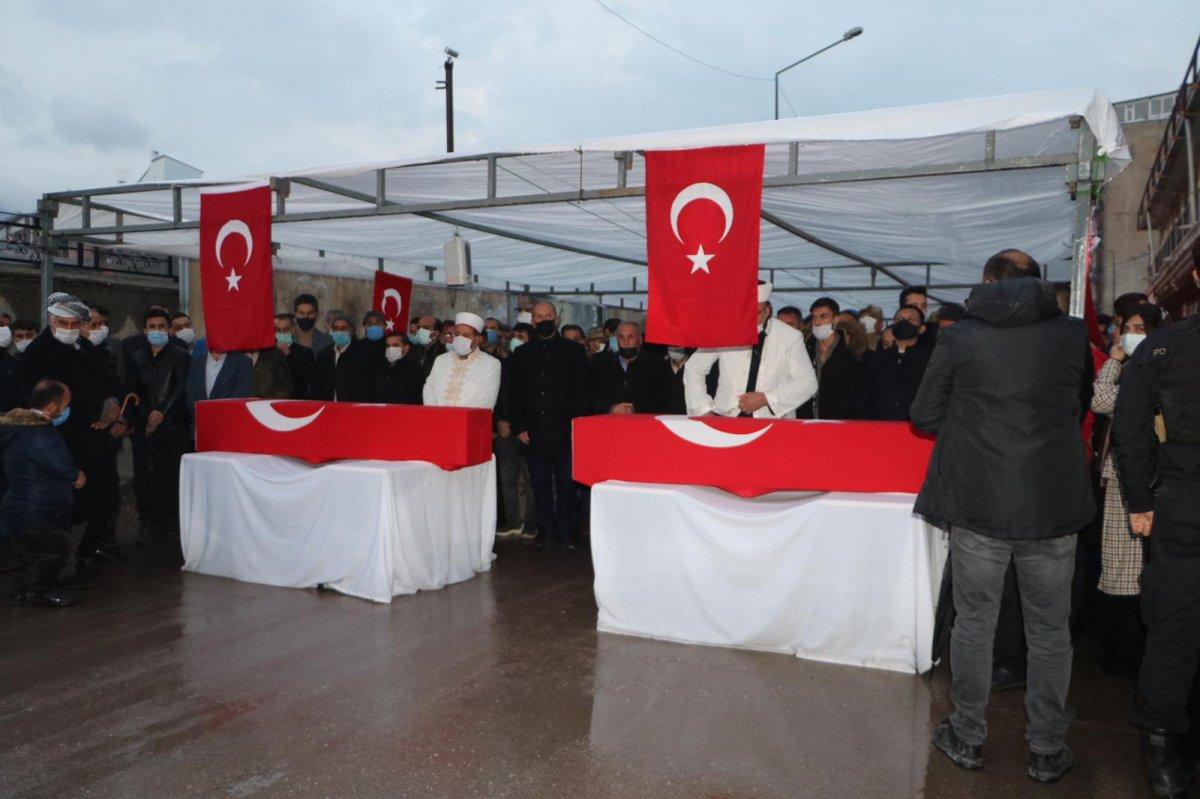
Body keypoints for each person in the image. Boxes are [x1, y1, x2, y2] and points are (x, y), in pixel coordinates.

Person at [913, 249, 1093, 783]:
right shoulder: (1072, 335)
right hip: (1052, 503)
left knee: (974, 623)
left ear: (987, 281)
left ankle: (967, 735)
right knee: (1050, 629)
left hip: (980, 502)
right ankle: (1047, 747)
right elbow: (1079, 405)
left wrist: (973, 424)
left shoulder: (962, 337)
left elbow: (924, 414)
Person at [1111, 243, 1200, 797]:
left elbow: (1131, 426)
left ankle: (1163, 755)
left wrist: (1141, 499)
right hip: (1181, 497)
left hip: (1182, 500)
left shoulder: (1164, 346)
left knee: (1173, 624)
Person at [20, 293, 122, 580]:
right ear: (51, 321)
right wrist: (96, 408)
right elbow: (45, 397)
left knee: (100, 502)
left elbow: (109, 379)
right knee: (67, 507)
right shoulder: (39, 351)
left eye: (75, 324)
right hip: (64, 440)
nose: (68, 329)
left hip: (96, 440)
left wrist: (113, 403)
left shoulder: (84, 346)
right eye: (62, 323)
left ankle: (82, 558)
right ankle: (58, 571)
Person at [1091, 302, 1161, 681]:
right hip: (1126, 477)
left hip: (1136, 479)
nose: (1131, 335)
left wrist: (1113, 361)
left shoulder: (1148, 371)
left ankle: (1127, 655)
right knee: (1124, 567)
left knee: (1128, 568)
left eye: (1139, 329)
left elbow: (1102, 400)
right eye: (1126, 328)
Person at [506, 302, 590, 550]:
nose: (544, 320)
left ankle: (567, 532)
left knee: (567, 485)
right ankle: (545, 530)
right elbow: (514, 393)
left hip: (566, 430)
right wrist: (519, 426)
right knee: (539, 485)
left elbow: (583, 391)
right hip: (534, 431)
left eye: (548, 316)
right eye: (539, 316)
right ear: (533, 321)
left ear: (557, 318)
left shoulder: (574, 351)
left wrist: (579, 426)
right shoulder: (521, 354)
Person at [1, 380, 83, 607]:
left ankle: (23, 590)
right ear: (51, 408)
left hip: (20, 507)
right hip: (36, 508)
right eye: (65, 405)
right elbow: (63, 466)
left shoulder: (17, 429)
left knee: (30, 555)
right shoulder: (39, 434)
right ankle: (41, 591)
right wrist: (76, 474)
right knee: (56, 550)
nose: (67, 410)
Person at [684, 282, 817, 419]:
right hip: (727, 418)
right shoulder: (725, 330)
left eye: (756, 312)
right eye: (746, 311)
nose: (750, 318)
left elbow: (808, 383)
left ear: (767, 311)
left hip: (773, 421)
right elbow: (694, 368)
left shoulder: (790, 337)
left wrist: (766, 398)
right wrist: (703, 409)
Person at [126, 309, 193, 541]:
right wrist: (147, 415)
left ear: (170, 330)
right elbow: (133, 390)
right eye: (152, 327)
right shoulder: (136, 357)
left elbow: (180, 388)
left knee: (172, 476)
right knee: (145, 477)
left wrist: (160, 413)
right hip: (144, 427)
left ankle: (173, 523)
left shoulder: (181, 356)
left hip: (174, 425)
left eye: (161, 326)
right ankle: (148, 521)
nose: (157, 331)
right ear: (144, 331)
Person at [861, 305, 933, 421]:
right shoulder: (876, 361)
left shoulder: (931, 361)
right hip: (883, 426)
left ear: (921, 329)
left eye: (911, 319)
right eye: (899, 319)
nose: (903, 322)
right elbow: (865, 399)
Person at [589, 321, 673, 415]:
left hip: (644, 420)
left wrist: (635, 409)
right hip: (608, 419)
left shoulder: (657, 364)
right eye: (621, 337)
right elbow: (591, 396)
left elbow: (663, 397)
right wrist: (611, 408)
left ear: (640, 340)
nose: (626, 342)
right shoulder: (600, 364)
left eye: (631, 337)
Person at [798, 297, 862, 419]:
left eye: (824, 317)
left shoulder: (851, 357)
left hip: (838, 423)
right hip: (805, 421)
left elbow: (855, 397)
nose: (817, 322)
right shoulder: (803, 352)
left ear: (836, 320)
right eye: (814, 317)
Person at [423, 313, 501, 408]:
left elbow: (485, 400)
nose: (460, 338)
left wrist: (459, 416)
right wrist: (438, 414)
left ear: (478, 340)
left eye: (466, 335)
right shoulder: (441, 360)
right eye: (457, 334)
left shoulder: (491, 364)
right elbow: (429, 391)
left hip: (469, 417)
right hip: (437, 416)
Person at [311, 311, 375, 402]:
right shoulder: (324, 355)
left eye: (344, 328)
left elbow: (370, 385)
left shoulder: (365, 354)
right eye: (335, 328)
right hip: (328, 406)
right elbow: (317, 386)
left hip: (354, 406)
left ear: (351, 330)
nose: (339, 331)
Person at [186, 341, 252, 417]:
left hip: (228, 419)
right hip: (200, 420)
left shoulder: (243, 362)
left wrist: (217, 416)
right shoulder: (197, 361)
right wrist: (201, 415)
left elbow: (240, 395)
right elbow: (190, 393)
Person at [372, 331, 423, 404]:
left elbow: (414, 397)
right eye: (388, 346)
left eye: (395, 345)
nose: (391, 348)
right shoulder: (379, 367)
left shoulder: (414, 369)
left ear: (406, 348)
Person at [273, 313, 315, 399]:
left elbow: (306, 379)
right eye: (278, 330)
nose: (282, 333)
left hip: (296, 401)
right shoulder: (266, 352)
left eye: (286, 329)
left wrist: (289, 356)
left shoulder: (305, 352)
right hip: (271, 401)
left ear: (292, 330)